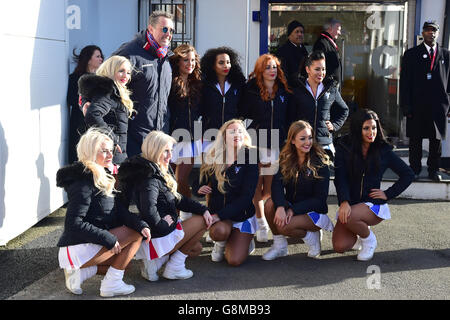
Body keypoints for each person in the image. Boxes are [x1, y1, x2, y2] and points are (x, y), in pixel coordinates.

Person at [56, 128, 151, 297]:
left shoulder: (100, 175)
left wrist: (141, 224)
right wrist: (108, 239)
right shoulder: (83, 182)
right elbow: (73, 224)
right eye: (104, 151)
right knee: (135, 235)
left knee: (126, 263)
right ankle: (111, 285)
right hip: (76, 247)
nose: (110, 155)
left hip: (85, 244)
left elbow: (117, 210)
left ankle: (80, 274)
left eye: (111, 150)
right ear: (90, 152)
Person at [117, 131, 214, 280]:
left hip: (160, 233)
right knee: (203, 221)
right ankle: (173, 268)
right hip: (158, 235)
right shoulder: (149, 178)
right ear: (155, 150)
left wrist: (203, 208)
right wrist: (165, 224)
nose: (170, 156)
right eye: (166, 151)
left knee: (196, 249)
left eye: (171, 151)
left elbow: (176, 198)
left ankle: (155, 262)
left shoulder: (159, 167)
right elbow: (149, 211)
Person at [332, 109, 414, 261]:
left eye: (374, 127)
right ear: (358, 129)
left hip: (372, 204)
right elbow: (340, 178)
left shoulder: (383, 149)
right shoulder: (344, 147)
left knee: (350, 217)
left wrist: (388, 194)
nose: (371, 132)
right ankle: (360, 231)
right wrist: (344, 201)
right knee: (339, 246)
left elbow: (408, 174)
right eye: (366, 128)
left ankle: (369, 240)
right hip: (351, 203)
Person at [262, 120, 333, 260]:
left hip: (314, 212)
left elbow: (319, 200)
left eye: (310, 137)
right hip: (293, 207)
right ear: (292, 140)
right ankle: (280, 246)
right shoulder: (285, 158)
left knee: (284, 226)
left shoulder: (321, 161)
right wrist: (282, 206)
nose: (308, 142)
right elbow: (276, 185)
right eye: (302, 138)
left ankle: (313, 238)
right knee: (270, 204)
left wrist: (292, 210)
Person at [241, 54, 292, 242]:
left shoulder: (284, 91)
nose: (272, 71)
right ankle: (260, 222)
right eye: (268, 67)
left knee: (270, 187)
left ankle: (260, 212)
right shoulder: (251, 89)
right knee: (255, 183)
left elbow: (288, 117)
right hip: (255, 140)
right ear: (260, 71)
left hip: (277, 142)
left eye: (274, 67)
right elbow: (242, 111)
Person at [195, 119, 259, 266]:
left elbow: (246, 197)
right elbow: (200, 181)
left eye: (240, 131)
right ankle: (222, 242)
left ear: (245, 135)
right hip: (222, 217)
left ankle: (246, 239)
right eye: (232, 131)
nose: (237, 134)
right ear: (224, 136)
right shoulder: (215, 155)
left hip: (241, 215)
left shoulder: (250, 157)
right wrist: (199, 189)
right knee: (218, 233)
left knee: (234, 260)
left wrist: (218, 215)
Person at [111, 11, 175, 157]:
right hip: (133, 138)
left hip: (159, 138)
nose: (168, 34)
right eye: (164, 29)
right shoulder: (129, 53)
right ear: (150, 29)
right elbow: (106, 82)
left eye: (171, 30)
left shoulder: (165, 59)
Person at [400, 21, 450, 181]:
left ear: (438, 32)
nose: (431, 33)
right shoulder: (411, 54)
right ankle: (414, 169)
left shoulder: (446, 55)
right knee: (416, 139)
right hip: (416, 105)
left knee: (436, 141)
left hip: (438, 106)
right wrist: (406, 106)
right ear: (422, 33)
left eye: (434, 30)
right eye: (428, 30)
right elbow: (405, 82)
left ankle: (433, 170)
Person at [289, 51, 349, 160]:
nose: (321, 73)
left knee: (324, 175)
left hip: (324, 143)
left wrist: (334, 125)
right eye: (317, 69)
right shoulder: (297, 90)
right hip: (302, 144)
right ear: (308, 70)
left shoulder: (331, 89)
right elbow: (289, 116)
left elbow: (344, 110)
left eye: (323, 69)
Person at [168, 44, 203, 220]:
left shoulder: (198, 83)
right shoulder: (170, 81)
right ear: (178, 61)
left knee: (181, 179)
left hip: (191, 137)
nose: (190, 64)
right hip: (172, 136)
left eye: (192, 60)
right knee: (170, 180)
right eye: (186, 60)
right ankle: (173, 215)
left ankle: (187, 214)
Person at [78, 56, 134, 166]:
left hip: (114, 156)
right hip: (109, 158)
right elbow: (93, 114)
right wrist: (112, 138)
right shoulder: (107, 93)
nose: (125, 76)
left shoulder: (116, 91)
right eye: (121, 71)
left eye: (128, 72)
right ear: (111, 71)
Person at [199, 47, 246, 149]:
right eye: (221, 62)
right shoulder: (205, 85)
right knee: (209, 164)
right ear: (213, 65)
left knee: (230, 163)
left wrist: (239, 120)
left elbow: (244, 106)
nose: (226, 66)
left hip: (232, 134)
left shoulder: (238, 85)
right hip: (210, 133)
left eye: (228, 62)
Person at [67, 45, 104, 163]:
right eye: (98, 56)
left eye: (101, 56)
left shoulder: (102, 79)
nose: (101, 59)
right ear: (88, 59)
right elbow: (71, 99)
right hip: (80, 124)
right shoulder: (75, 78)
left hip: (97, 125)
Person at [276, 20, 309, 87]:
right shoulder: (283, 51)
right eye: (297, 32)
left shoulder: (303, 50)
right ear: (289, 35)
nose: (300, 34)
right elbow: (282, 74)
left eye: (302, 32)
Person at [313, 18, 343, 88]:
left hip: (332, 85)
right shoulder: (321, 43)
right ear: (330, 28)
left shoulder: (329, 42)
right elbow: (318, 65)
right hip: (327, 86)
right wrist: (327, 81)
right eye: (338, 29)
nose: (339, 33)